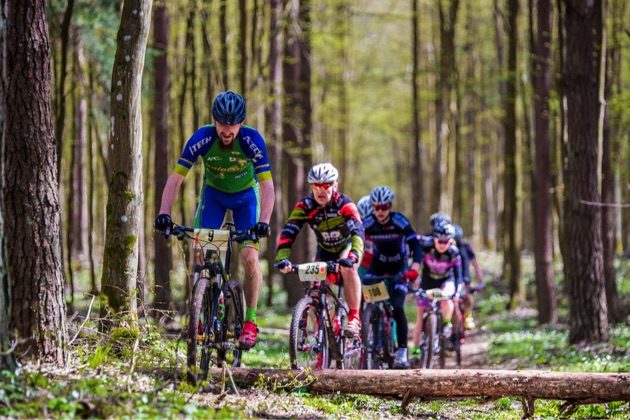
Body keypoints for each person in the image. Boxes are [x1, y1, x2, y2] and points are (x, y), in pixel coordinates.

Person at [154, 90, 275, 350]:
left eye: (232, 124)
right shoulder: (203, 138)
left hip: (246, 198)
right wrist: (164, 212)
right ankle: (201, 309)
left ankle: (250, 322)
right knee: (199, 251)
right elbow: (176, 178)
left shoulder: (252, 140)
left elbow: (267, 187)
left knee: (250, 258)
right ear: (214, 120)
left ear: (241, 123)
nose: (227, 130)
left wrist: (264, 220)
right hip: (214, 196)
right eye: (222, 124)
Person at [275, 163, 364, 337]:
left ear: (335, 185)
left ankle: (354, 317)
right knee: (315, 294)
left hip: (346, 248)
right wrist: (282, 258)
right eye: (316, 186)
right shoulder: (305, 206)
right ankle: (322, 342)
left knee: (348, 268)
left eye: (325, 186)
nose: (320, 191)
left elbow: (358, 231)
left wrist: (354, 255)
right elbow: (289, 232)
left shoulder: (345, 205)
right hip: (324, 250)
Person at [362, 186, 422, 368]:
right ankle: (369, 344)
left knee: (397, 307)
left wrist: (415, 267)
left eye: (384, 207)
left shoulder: (399, 221)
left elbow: (415, 245)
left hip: (399, 268)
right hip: (377, 266)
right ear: (372, 207)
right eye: (376, 207)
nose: (380, 211)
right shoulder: (367, 222)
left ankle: (402, 351)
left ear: (390, 206)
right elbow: (354, 241)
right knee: (367, 302)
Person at [410, 221, 462, 356]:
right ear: (434, 238)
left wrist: (456, 292)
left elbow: (458, 276)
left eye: (446, 242)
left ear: (451, 241)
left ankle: (446, 323)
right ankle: (415, 350)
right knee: (420, 316)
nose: (442, 245)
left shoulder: (454, 253)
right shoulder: (425, 245)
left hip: (446, 281)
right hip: (427, 282)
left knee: (447, 300)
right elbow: (412, 241)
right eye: (440, 241)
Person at [453, 224, 485, 329]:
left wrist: (481, 281)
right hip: (450, 279)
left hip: (465, 280)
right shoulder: (446, 249)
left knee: (468, 298)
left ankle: (468, 316)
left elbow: (475, 265)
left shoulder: (466, 248)